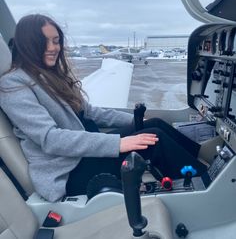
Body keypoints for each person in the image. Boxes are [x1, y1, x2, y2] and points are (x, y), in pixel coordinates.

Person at [0, 14, 206, 202]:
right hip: (67, 172)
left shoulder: (49, 76)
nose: (53, 47)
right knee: (153, 139)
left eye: (56, 41)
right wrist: (117, 143)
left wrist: (135, 123)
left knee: (153, 124)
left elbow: (89, 112)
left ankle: (206, 160)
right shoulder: (14, 85)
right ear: (28, 44)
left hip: (80, 156)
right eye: (44, 41)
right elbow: (50, 139)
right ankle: (207, 188)